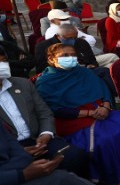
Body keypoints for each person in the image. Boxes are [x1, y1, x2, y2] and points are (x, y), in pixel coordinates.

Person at [36, 43, 120, 185]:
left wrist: (106, 107)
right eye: (65, 55)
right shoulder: (45, 82)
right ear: (51, 58)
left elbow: (103, 90)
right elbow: (56, 109)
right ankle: (114, 176)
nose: (71, 58)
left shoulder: (83, 72)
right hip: (72, 118)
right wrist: (90, 113)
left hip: (100, 109)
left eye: (73, 55)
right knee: (106, 139)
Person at [0, 46, 89, 175]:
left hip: (40, 139)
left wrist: (46, 133)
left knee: (74, 155)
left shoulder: (23, 84)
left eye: (4, 61)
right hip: (10, 149)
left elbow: (44, 112)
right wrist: (17, 151)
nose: (2, 66)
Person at [35, 24, 117, 97]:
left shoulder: (81, 42)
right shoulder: (44, 46)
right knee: (103, 72)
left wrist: (91, 65)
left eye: (74, 37)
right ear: (58, 36)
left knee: (109, 67)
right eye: (68, 38)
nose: (72, 40)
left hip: (83, 69)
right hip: (60, 72)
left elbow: (92, 59)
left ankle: (113, 93)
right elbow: (41, 68)